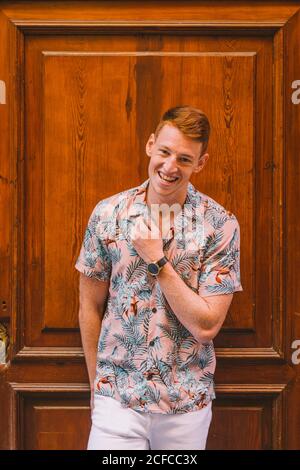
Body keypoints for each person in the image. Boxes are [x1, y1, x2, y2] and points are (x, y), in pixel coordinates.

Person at [75, 105, 243, 450]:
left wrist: (157, 260)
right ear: (151, 145)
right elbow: (89, 305)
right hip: (117, 401)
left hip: (185, 406)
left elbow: (207, 326)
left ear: (201, 163)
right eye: (165, 152)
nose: (169, 167)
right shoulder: (108, 214)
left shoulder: (220, 225)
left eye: (184, 158)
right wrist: (98, 386)